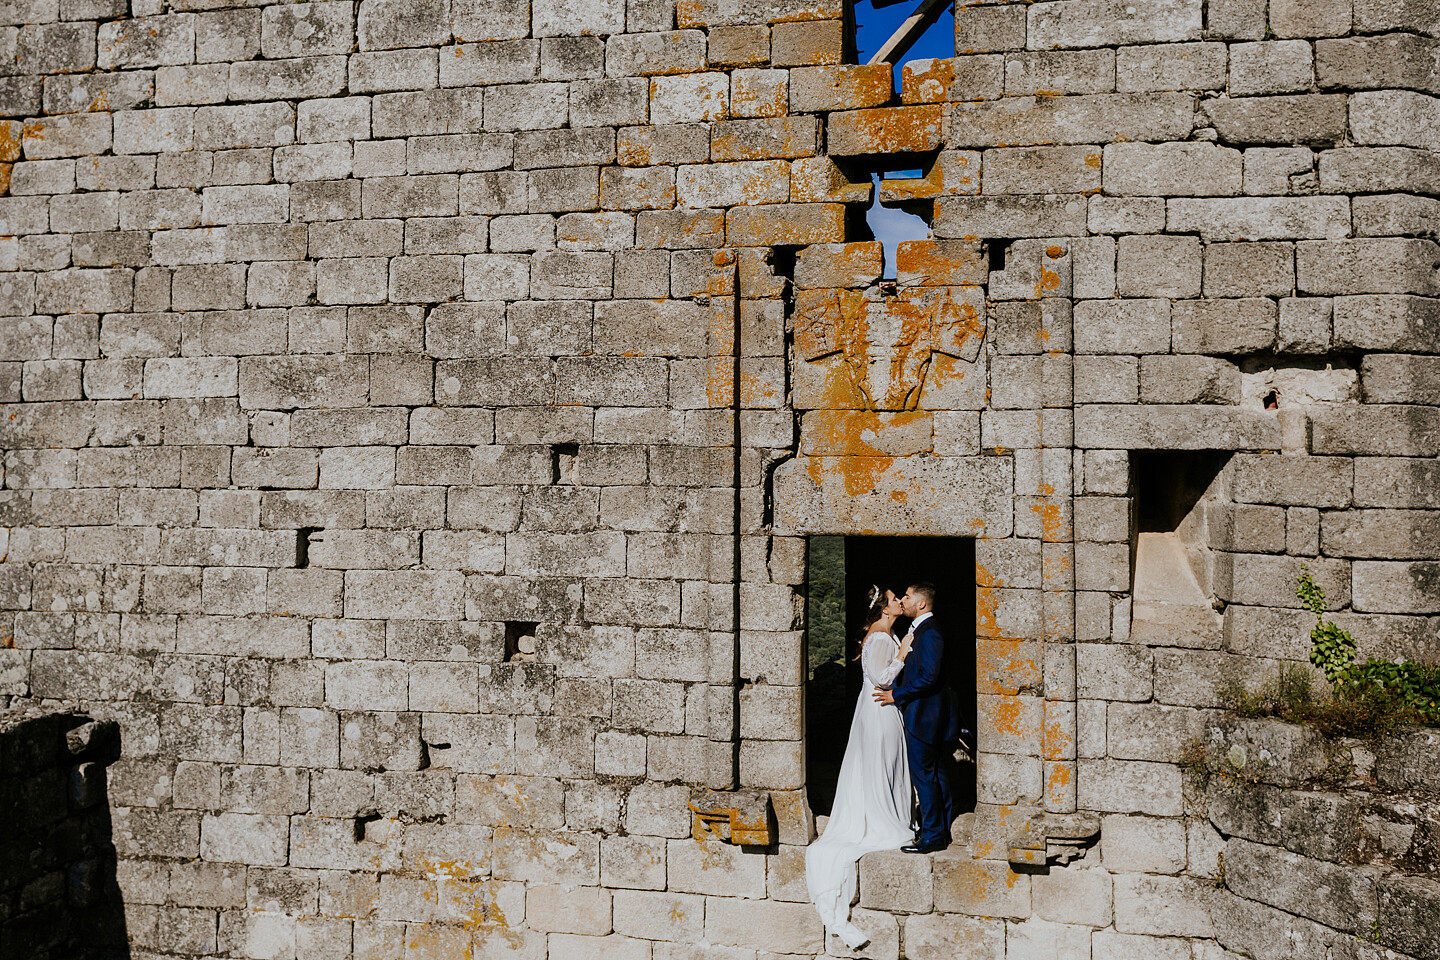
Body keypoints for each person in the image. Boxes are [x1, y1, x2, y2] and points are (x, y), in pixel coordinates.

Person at [806, 586, 915, 949]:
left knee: (882, 764)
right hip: (879, 708)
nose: (899, 599)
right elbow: (881, 678)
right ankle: (886, 816)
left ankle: (887, 809)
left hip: (876, 710)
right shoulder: (882, 638)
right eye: (893, 597)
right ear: (884, 610)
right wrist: (902, 654)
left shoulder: (882, 633)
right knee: (882, 762)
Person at [874, 580, 964, 854]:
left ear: (921, 603)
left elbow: (928, 677)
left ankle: (932, 835)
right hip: (929, 716)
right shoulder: (922, 630)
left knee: (924, 776)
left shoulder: (930, 632)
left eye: (908, 596)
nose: (903, 600)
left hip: (924, 717)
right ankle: (940, 827)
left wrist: (896, 696)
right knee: (936, 773)